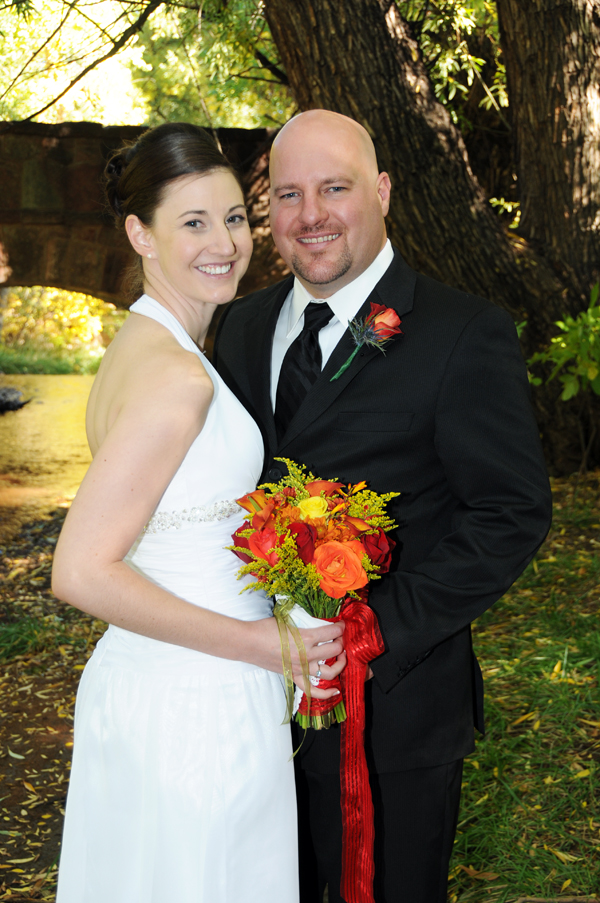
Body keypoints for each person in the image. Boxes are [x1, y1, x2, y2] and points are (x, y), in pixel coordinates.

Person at [212, 110, 553, 903]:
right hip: (248, 707)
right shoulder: (239, 325)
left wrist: (373, 630)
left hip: (394, 709)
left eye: (335, 187)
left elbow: (510, 512)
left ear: (384, 191)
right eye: (289, 194)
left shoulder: (464, 332)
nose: (311, 214)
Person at [51, 121, 345, 903]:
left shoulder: (142, 345)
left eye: (235, 218)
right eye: (193, 222)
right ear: (138, 233)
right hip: (196, 708)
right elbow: (81, 569)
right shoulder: (176, 379)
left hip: (161, 687)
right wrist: (261, 641)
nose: (226, 243)